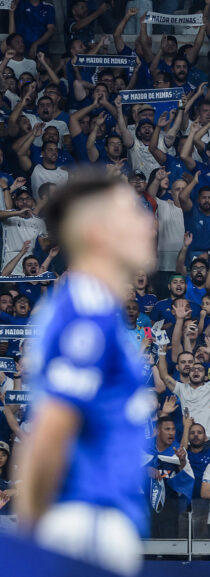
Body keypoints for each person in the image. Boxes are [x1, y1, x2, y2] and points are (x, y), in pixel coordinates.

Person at [14, 172, 155, 575]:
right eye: (131, 213)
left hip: (93, 524)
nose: (146, 222)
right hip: (85, 523)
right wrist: (30, 542)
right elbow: (52, 429)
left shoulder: (93, 307)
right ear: (97, 233)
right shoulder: (86, 307)